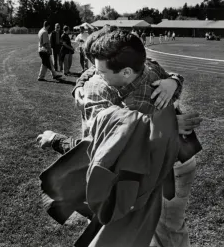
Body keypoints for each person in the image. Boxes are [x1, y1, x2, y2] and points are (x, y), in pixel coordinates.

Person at [38, 29, 202, 246]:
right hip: (178, 160)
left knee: (142, 230)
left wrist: (55, 139)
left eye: (100, 71)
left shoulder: (98, 92)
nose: (95, 75)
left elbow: (99, 150)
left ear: (125, 72)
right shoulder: (142, 66)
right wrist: (172, 89)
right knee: (169, 229)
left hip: (152, 171)